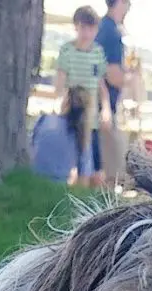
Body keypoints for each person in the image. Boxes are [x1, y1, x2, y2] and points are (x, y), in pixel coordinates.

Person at [55, 6, 109, 187]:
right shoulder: (67, 51)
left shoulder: (97, 53)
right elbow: (60, 81)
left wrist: (106, 109)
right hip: (72, 111)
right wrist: (59, 102)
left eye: (91, 28)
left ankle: (85, 191)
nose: (87, 33)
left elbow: (101, 84)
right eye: (83, 27)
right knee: (71, 158)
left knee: (92, 165)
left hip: (91, 115)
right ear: (76, 27)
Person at [96, 0, 131, 187]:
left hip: (97, 106)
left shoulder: (102, 28)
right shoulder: (112, 33)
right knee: (113, 172)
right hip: (105, 108)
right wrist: (132, 78)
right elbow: (113, 76)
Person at [31, 88, 94, 185]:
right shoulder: (82, 137)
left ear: (66, 102)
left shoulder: (44, 120)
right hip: (59, 186)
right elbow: (84, 177)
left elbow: (32, 144)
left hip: (33, 178)